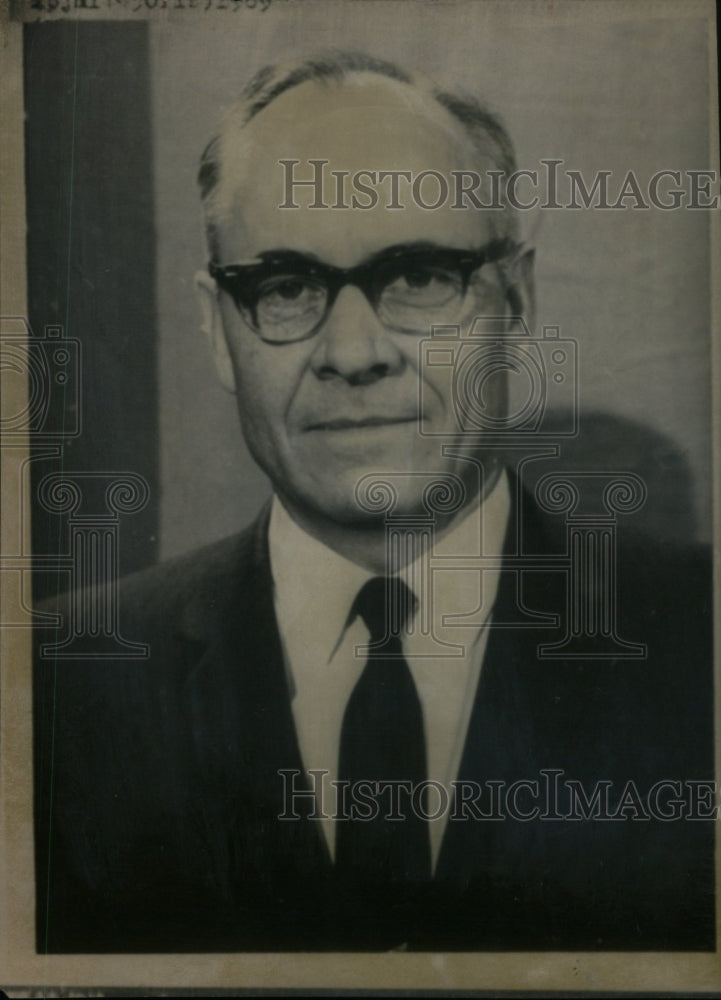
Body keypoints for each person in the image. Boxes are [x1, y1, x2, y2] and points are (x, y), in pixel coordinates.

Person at [34, 51, 714, 953]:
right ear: (215, 326)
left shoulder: (699, 642)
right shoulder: (56, 686)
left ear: (516, 296)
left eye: (419, 276)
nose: (353, 352)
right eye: (283, 286)